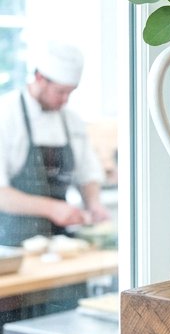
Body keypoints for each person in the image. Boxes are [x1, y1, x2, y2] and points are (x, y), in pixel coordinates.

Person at [0, 41, 110, 247]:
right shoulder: (5, 115)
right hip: (11, 247)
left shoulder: (71, 121)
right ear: (40, 78)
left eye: (71, 92)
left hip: (62, 244)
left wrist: (93, 204)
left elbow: (87, 173)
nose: (65, 100)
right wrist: (51, 208)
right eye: (60, 92)